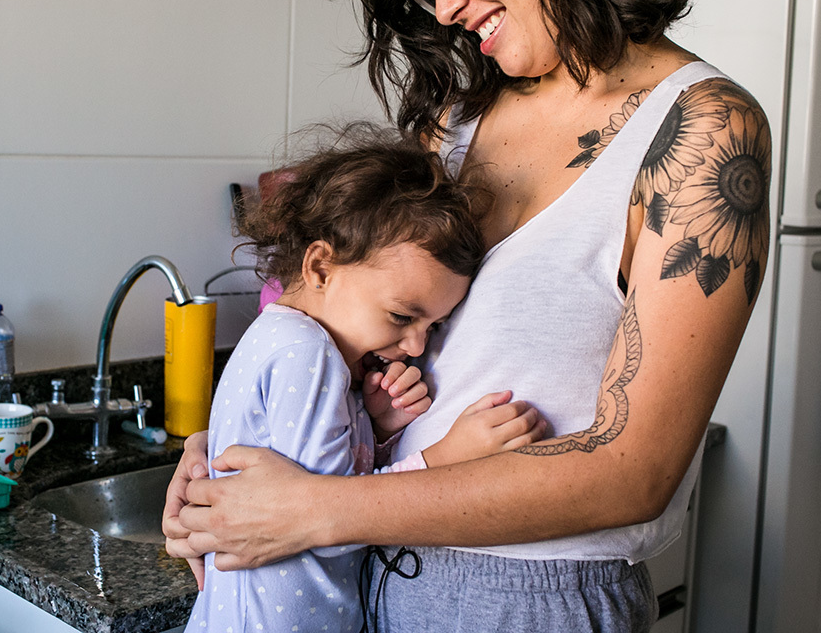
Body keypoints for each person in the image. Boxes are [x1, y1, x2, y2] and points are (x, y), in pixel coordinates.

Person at [166, 0, 773, 629]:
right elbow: (349, 329)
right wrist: (230, 452)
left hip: (526, 605)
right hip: (367, 581)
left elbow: (636, 470)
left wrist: (316, 511)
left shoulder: (703, 128)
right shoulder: (456, 122)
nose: (448, 5)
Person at [184, 127, 548, 633]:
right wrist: (448, 457)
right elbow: (328, 516)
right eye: (403, 316)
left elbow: (307, 479)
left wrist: (371, 427)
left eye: (434, 326)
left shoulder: (284, 337)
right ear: (320, 267)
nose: (418, 346)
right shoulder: (308, 353)